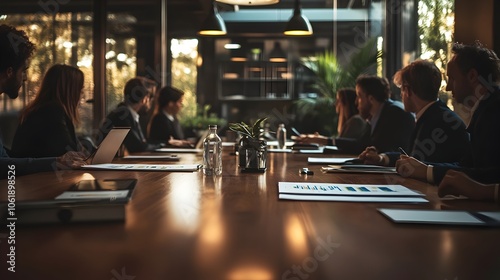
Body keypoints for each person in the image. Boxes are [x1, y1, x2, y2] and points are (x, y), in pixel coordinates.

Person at [396, 42, 500, 185]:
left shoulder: (493, 112)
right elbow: (467, 166)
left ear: (472, 76)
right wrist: (426, 169)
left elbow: (491, 175)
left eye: (452, 78)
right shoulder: (485, 109)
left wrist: (426, 171)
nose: (448, 87)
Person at [0, 24, 86, 179]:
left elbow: (4, 159)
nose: (25, 78)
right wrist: (56, 162)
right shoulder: (51, 112)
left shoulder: (48, 110)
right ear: (9, 73)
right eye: (23, 71)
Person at [359, 60, 470, 166]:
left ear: (407, 91)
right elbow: (414, 159)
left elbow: (420, 165)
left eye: (401, 89)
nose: (401, 95)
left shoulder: (438, 122)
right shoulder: (435, 115)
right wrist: (381, 158)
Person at [10, 64, 85, 158]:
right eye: (81, 90)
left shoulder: (42, 110)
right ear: (70, 92)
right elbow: (70, 155)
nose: (82, 95)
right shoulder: (52, 112)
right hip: (34, 172)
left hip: (27, 172)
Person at [330, 75, 415, 154]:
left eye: (359, 96)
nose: (356, 102)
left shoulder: (395, 114)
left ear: (370, 98)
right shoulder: (375, 116)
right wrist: (327, 141)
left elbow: (394, 151)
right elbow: (360, 145)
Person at [98, 77, 162, 153]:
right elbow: (137, 147)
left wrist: (164, 143)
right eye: (151, 98)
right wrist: (161, 145)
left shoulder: (125, 113)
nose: (151, 103)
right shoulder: (121, 116)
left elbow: (141, 143)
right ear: (145, 99)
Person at [296, 88, 370, 145]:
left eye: (338, 100)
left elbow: (345, 144)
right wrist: (318, 139)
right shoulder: (352, 121)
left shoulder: (356, 121)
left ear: (346, 104)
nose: (335, 104)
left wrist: (321, 140)